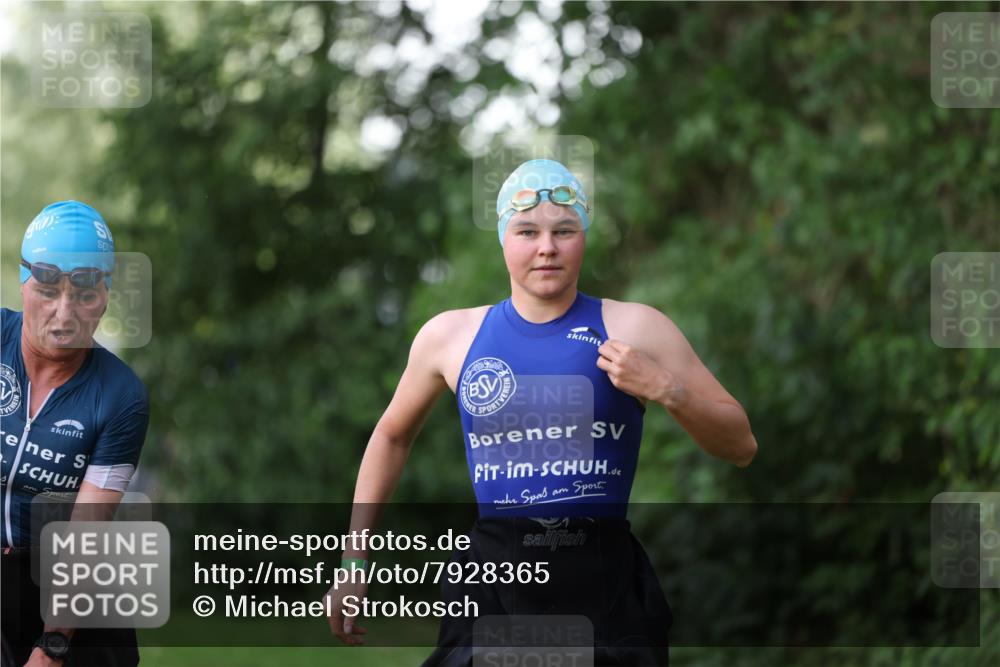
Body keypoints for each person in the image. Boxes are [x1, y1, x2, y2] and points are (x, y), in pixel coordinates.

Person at [325, 160, 758, 665]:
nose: (547, 247)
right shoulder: (451, 337)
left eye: (564, 231)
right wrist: (354, 562)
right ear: (503, 240)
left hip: (603, 588)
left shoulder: (635, 328)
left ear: (584, 237)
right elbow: (391, 437)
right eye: (527, 231)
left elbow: (741, 445)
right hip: (493, 585)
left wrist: (666, 389)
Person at [0, 201, 149, 667]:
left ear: (105, 295)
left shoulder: (121, 395)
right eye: (48, 291)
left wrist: (53, 645)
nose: (64, 314)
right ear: (24, 284)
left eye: (83, 295)